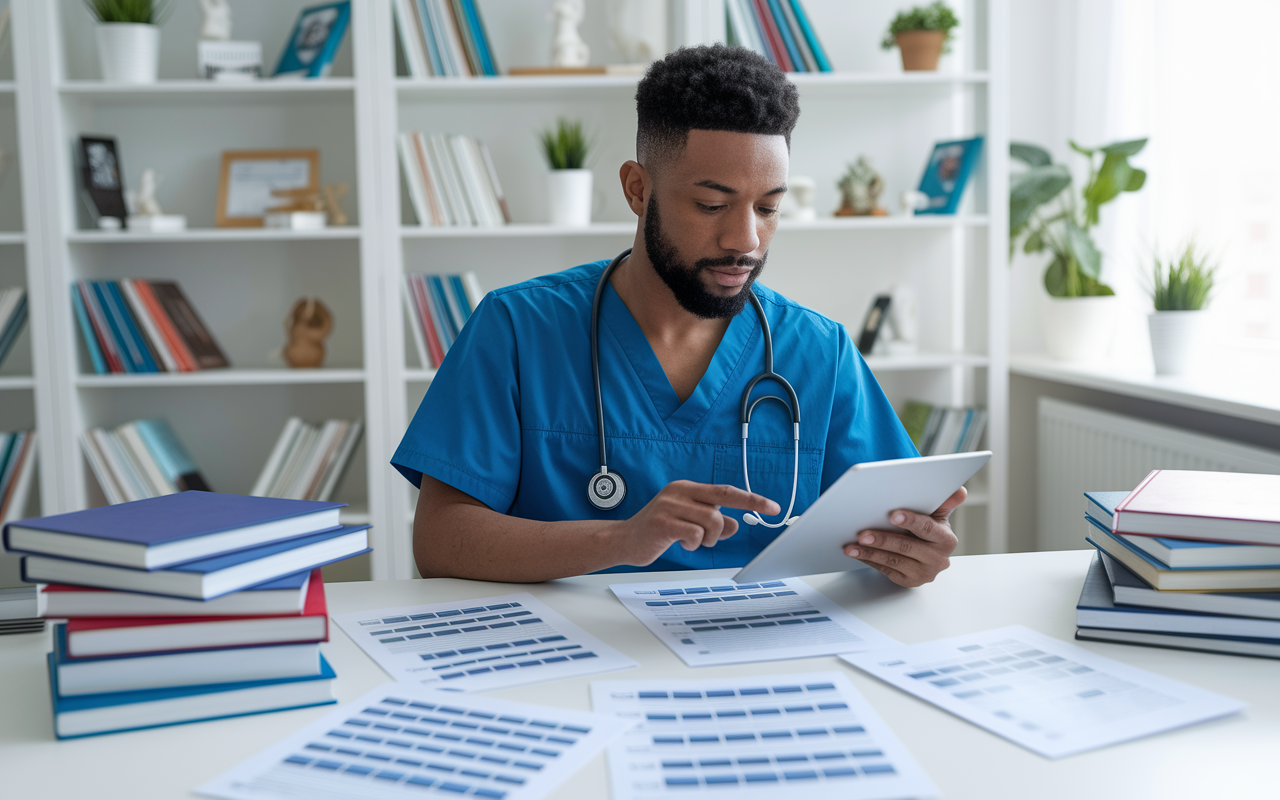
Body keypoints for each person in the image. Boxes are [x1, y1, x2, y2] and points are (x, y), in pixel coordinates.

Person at [393, 44, 965, 586]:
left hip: (760, 656)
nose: (746, 239)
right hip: (567, 662)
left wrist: (914, 552)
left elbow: (889, 530)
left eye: (768, 207)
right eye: (712, 205)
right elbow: (440, 542)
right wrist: (620, 539)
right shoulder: (516, 329)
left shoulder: (821, 352)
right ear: (638, 189)